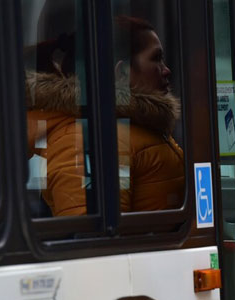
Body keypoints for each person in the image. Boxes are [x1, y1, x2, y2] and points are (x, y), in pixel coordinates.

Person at [25, 15, 184, 216]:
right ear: (122, 73)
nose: (166, 70)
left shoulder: (128, 126)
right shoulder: (84, 139)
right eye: (156, 58)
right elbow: (93, 237)